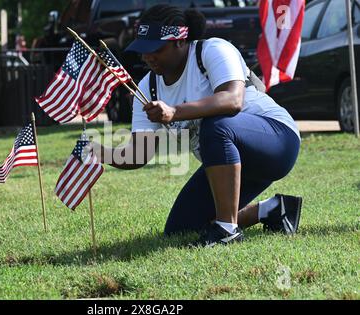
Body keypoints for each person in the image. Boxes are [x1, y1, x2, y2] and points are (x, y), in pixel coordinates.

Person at [91, 4, 302, 247]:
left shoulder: (212, 50)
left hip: (277, 142)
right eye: (142, 49)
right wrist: (99, 152)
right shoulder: (147, 87)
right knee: (180, 228)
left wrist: (174, 112)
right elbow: (138, 154)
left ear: (180, 42)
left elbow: (232, 100)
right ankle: (273, 210)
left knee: (216, 124)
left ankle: (227, 230)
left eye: (156, 48)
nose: (148, 56)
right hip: (229, 159)